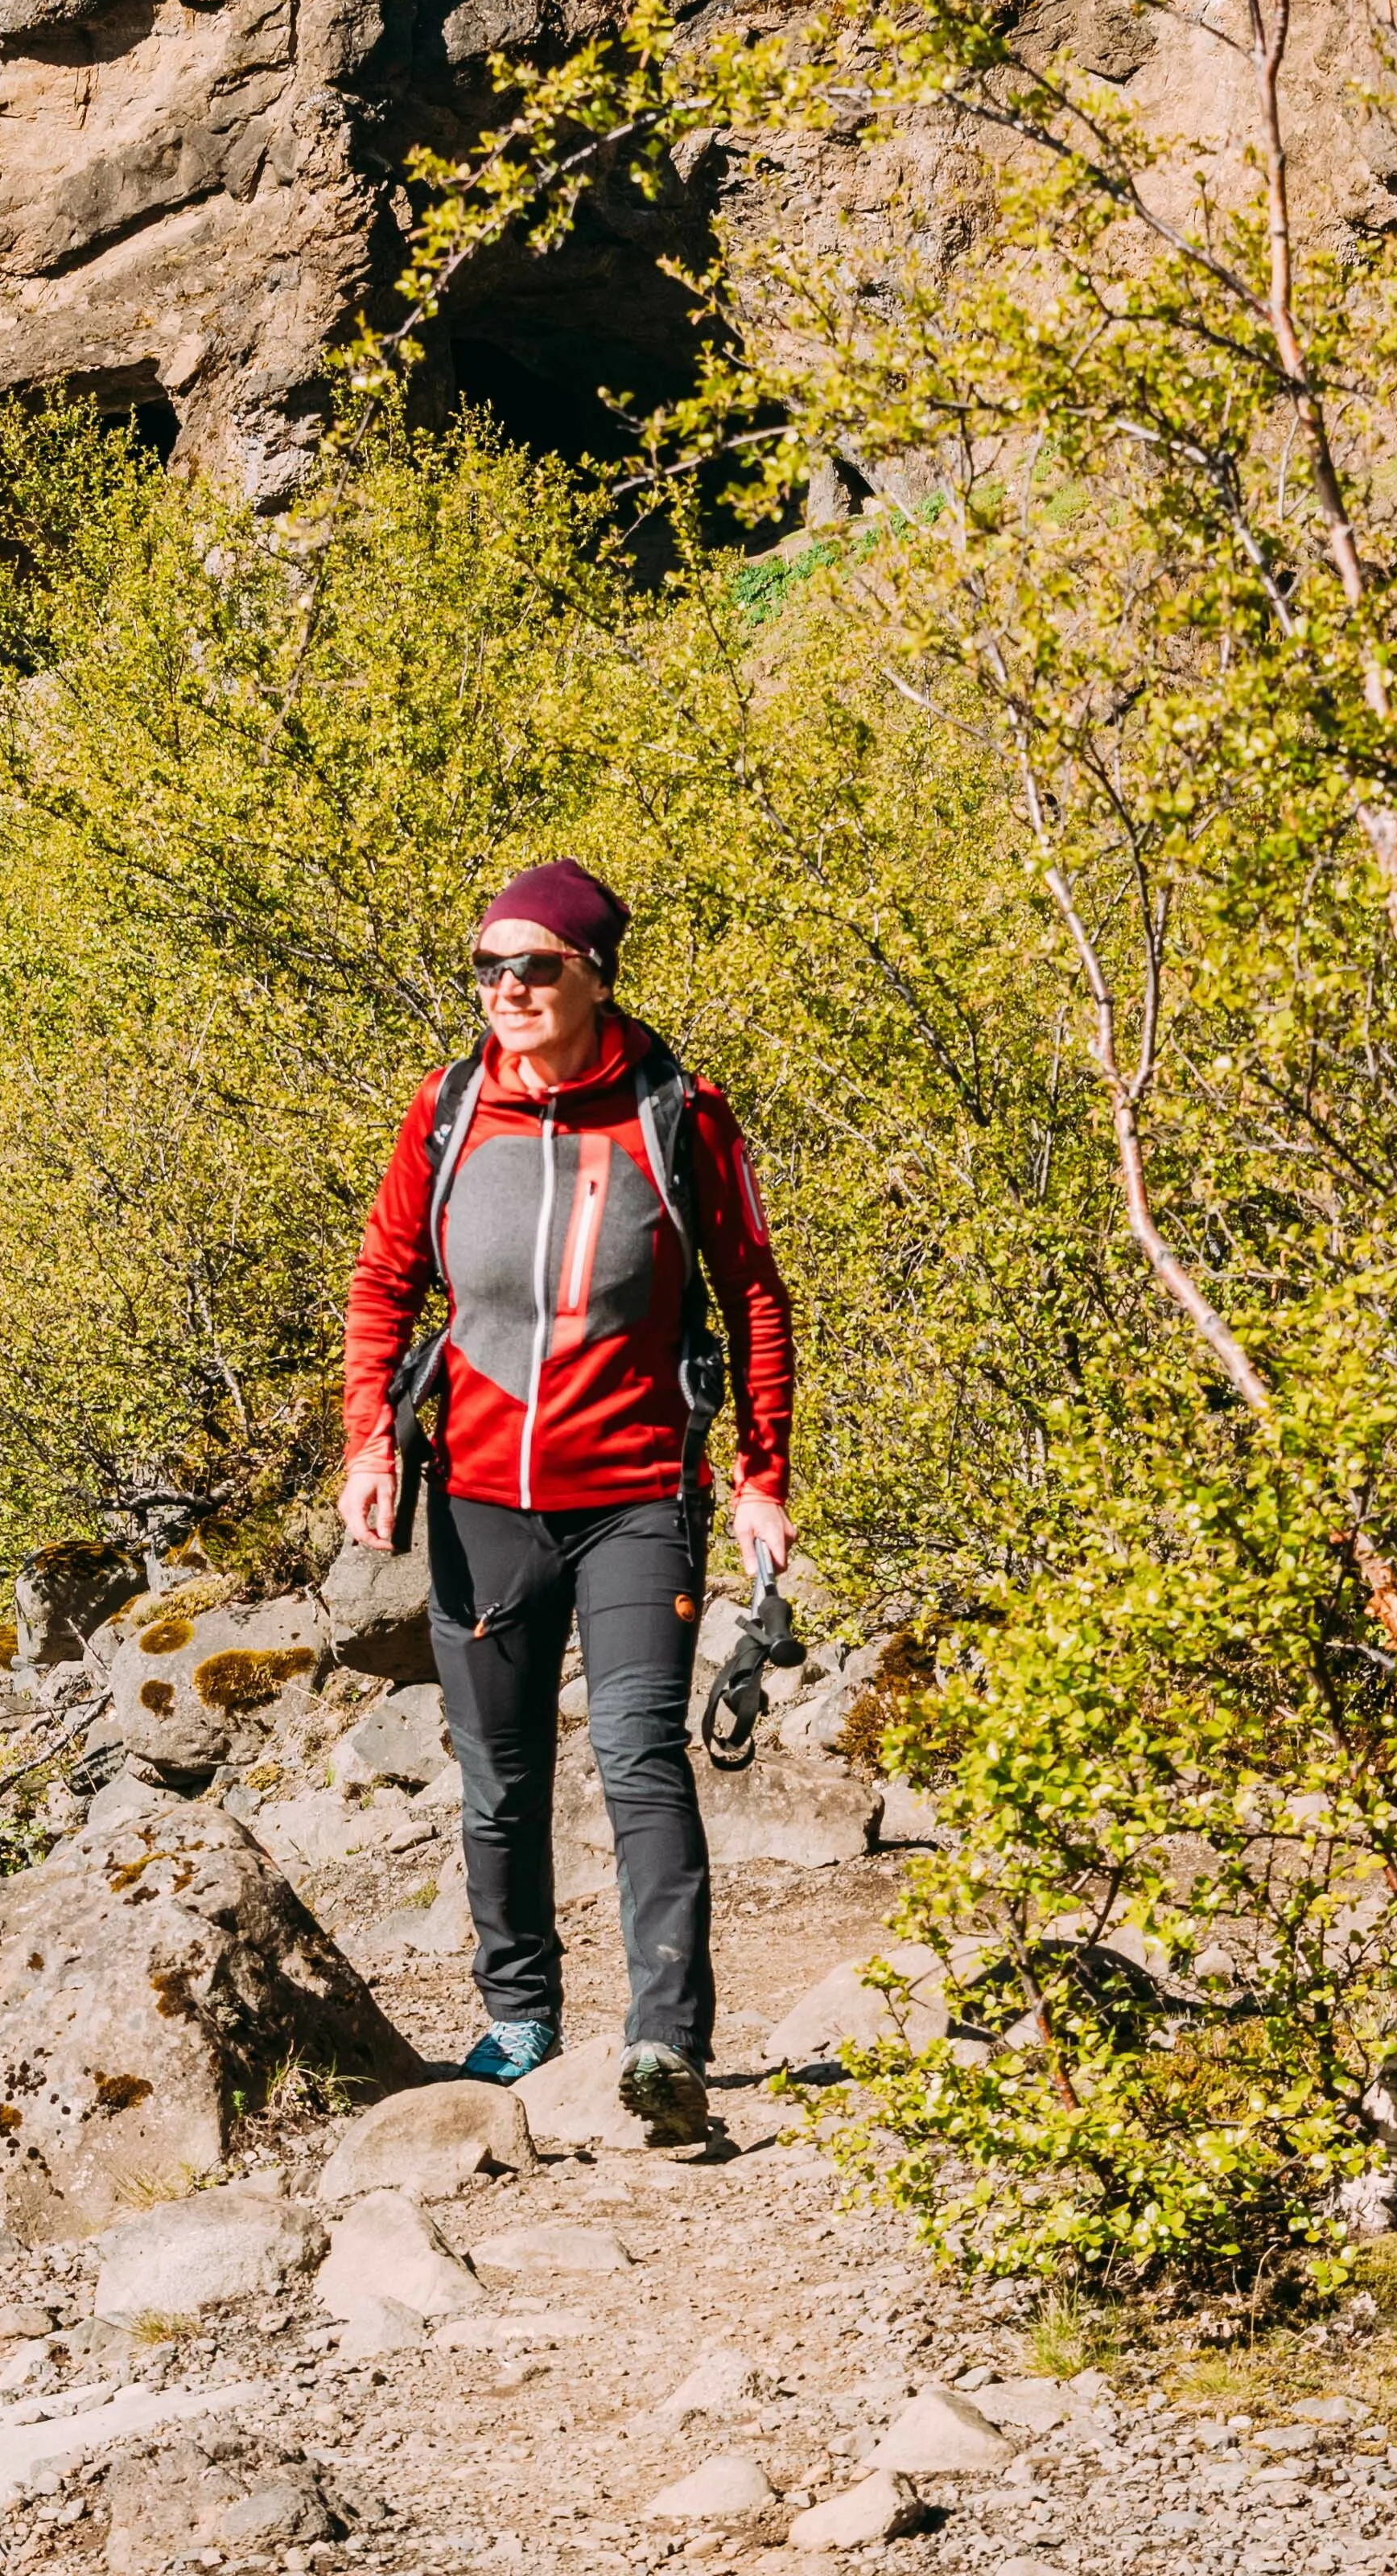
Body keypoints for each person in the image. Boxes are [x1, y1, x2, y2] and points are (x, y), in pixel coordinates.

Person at [342, 858, 795, 2142]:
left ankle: (665, 2040)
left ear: (596, 974)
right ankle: (522, 2018)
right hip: (481, 1495)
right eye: (489, 967)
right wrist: (371, 1445)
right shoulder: (447, 1110)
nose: (508, 989)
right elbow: (385, 1283)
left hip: (639, 1495)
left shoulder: (677, 1113)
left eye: (536, 965)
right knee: (497, 1775)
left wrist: (762, 1477)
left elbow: (755, 1296)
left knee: (641, 1758)